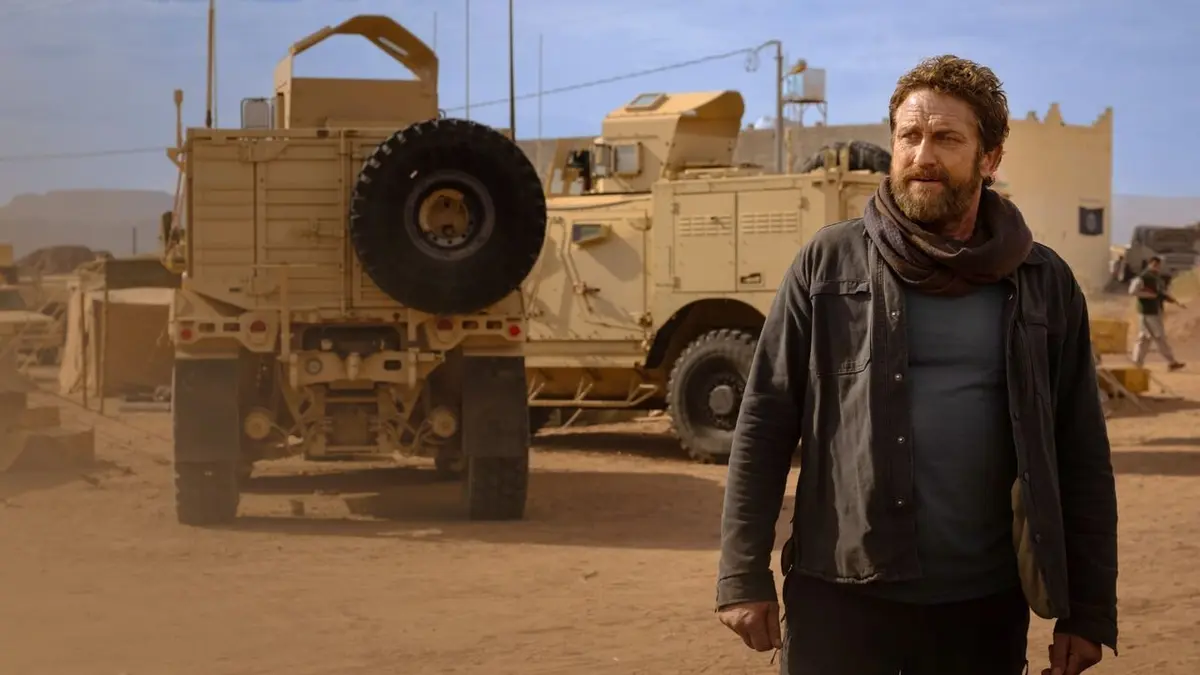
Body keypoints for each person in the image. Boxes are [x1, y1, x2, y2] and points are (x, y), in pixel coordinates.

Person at [714, 55, 1118, 675]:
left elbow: (1080, 448)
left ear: (990, 158)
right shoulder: (827, 265)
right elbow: (764, 422)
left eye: (947, 138)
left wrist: (1088, 612)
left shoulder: (1043, 282)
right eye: (909, 136)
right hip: (840, 597)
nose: (922, 155)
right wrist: (742, 573)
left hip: (982, 606)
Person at [1128, 255, 1186, 370]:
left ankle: (1138, 363)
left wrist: (1173, 301)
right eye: (1154, 264)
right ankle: (1171, 362)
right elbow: (1133, 291)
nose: (1156, 267)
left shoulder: (1157, 278)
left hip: (1155, 311)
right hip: (1147, 312)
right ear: (1149, 264)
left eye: (1158, 265)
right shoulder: (1143, 277)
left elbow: (1160, 294)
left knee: (1146, 338)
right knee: (1157, 337)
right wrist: (1149, 295)